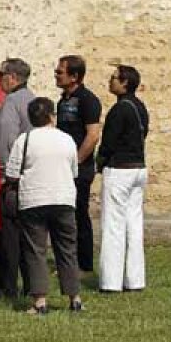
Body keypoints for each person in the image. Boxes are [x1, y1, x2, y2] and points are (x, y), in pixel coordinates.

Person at [8, 97, 82, 314]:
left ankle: (40, 300)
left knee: (35, 250)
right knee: (67, 248)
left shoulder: (25, 139)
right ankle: (74, 296)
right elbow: (74, 170)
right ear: (51, 115)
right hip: (63, 197)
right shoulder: (67, 139)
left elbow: (12, 173)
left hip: (33, 199)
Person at [97, 64, 150, 293]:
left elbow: (109, 141)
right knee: (133, 225)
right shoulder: (140, 107)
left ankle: (111, 281)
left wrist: (100, 161)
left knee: (113, 225)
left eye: (114, 78)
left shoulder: (119, 110)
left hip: (119, 169)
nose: (111, 82)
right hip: (138, 168)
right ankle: (135, 279)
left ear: (124, 82)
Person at [0, 57, 36, 298]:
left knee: (7, 234)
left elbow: (8, 138)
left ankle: (7, 285)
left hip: (13, 176)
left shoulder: (11, 103)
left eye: (0, 76)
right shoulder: (33, 99)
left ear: (12, 78)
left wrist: (4, 172)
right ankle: (31, 283)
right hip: (33, 174)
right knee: (29, 234)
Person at [54, 54, 102, 272]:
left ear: (74, 76)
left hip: (79, 168)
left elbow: (92, 135)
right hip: (63, 166)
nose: (56, 74)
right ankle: (66, 260)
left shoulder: (88, 100)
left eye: (60, 72)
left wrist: (76, 162)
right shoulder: (63, 100)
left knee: (79, 214)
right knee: (63, 215)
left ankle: (84, 263)